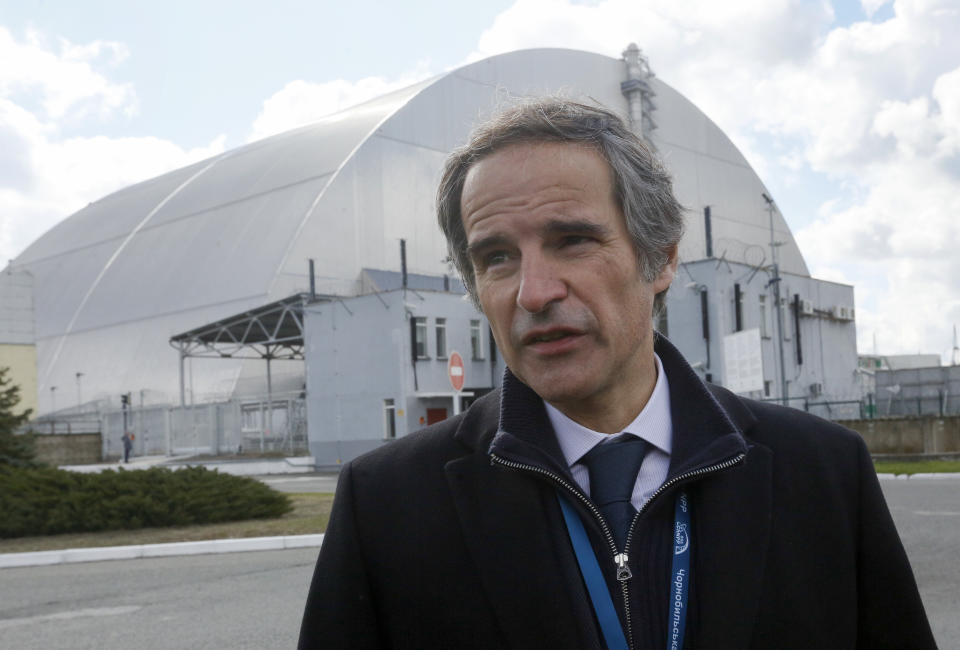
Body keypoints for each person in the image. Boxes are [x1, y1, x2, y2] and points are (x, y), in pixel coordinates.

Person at [298, 98, 935, 649]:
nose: (534, 292)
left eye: (572, 240)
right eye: (496, 257)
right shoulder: (387, 502)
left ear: (659, 259)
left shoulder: (822, 472)